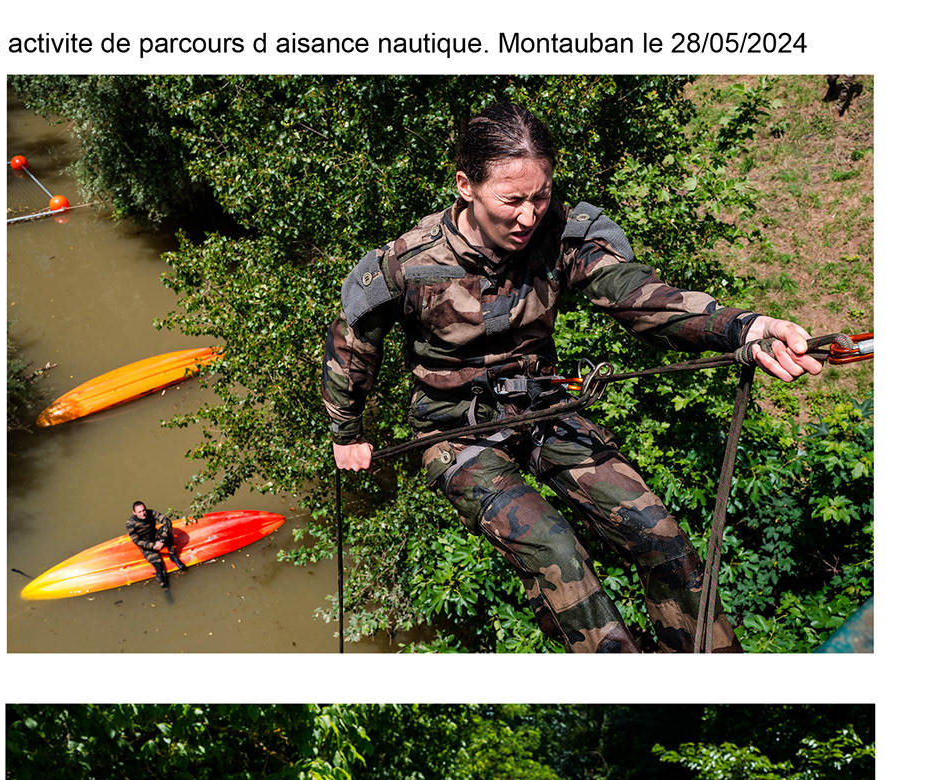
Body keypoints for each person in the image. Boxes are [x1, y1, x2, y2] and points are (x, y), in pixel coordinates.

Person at [323, 100, 822, 652]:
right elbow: (352, 345)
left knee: (661, 538)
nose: (529, 216)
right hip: (454, 432)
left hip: (548, 409)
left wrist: (742, 329)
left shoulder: (563, 234)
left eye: (541, 195)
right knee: (556, 551)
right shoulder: (407, 264)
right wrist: (347, 433)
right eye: (512, 200)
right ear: (466, 185)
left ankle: (710, 679)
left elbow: (639, 297)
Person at [127, 500, 185, 590]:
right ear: (134, 513)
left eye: (144, 510)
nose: (143, 513)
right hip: (146, 545)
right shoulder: (130, 523)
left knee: (167, 529)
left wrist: (161, 540)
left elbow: (167, 521)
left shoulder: (151, 513)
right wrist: (153, 546)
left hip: (156, 537)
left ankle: (172, 555)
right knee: (159, 567)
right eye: (139, 512)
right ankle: (165, 588)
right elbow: (136, 541)